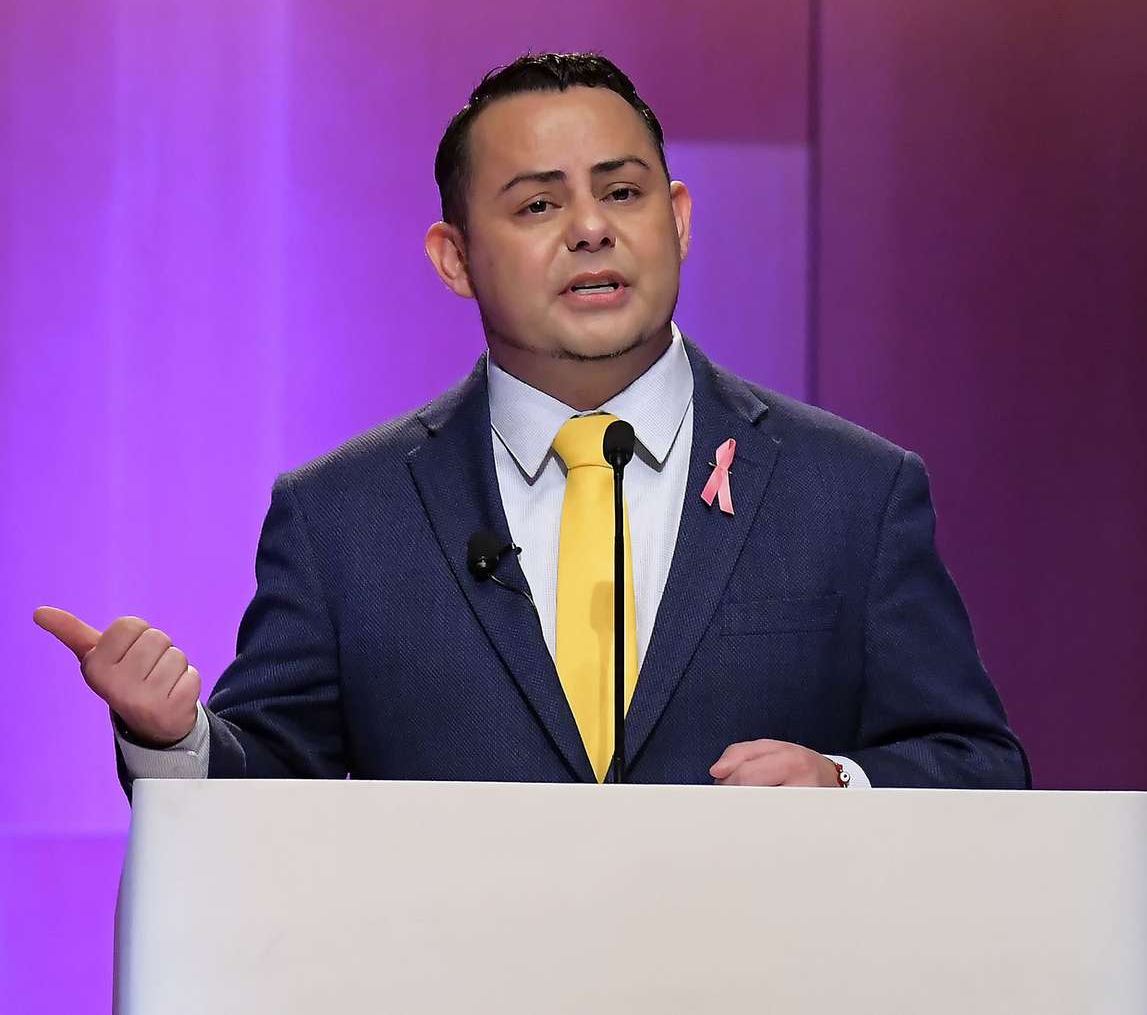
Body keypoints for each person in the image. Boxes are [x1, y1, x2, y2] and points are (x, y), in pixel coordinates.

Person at [34, 52, 1029, 793]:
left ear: (676, 219)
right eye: (538, 204)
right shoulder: (343, 514)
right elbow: (271, 789)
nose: (592, 227)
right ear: (453, 257)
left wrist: (842, 784)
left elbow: (979, 767)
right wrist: (177, 740)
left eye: (623, 192)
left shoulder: (852, 492)